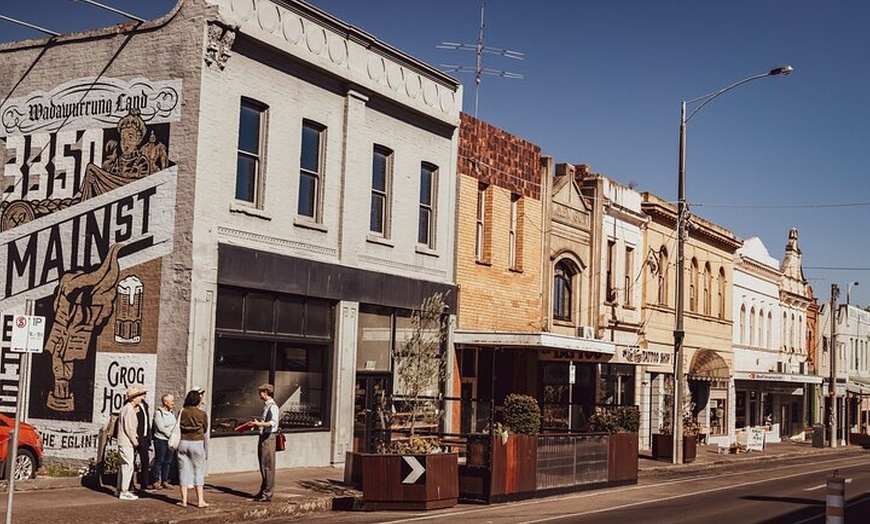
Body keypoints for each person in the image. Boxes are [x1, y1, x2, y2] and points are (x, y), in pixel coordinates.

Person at [176, 389, 209, 508]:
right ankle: (200, 501)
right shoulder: (202, 414)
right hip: (197, 443)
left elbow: (178, 425)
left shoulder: (182, 411)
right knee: (198, 471)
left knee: (183, 470)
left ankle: (183, 500)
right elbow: (205, 428)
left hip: (183, 442)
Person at [250, 383, 279, 502]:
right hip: (263, 436)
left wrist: (259, 424)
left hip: (268, 437)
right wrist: (258, 425)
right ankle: (263, 490)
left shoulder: (273, 407)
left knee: (268, 466)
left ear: (266, 393)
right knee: (263, 465)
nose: (259, 394)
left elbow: (273, 423)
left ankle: (268, 493)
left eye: (261, 392)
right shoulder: (266, 406)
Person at [117, 386, 147, 501]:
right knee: (128, 466)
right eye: (140, 396)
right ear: (134, 398)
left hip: (124, 442)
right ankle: (124, 491)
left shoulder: (128, 408)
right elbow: (129, 428)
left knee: (124, 466)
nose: (141, 398)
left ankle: (120, 489)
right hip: (126, 442)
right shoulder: (128, 409)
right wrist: (135, 441)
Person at [151, 393, 176, 489]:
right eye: (171, 401)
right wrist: (170, 435)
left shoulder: (171, 413)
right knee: (159, 460)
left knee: (168, 461)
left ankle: (165, 480)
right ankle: (155, 480)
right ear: (165, 402)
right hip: (161, 439)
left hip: (170, 440)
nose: (173, 403)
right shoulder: (159, 413)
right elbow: (160, 427)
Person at [135, 392, 155, 493]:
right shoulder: (134, 406)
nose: (145, 395)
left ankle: (144, 483)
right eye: (143, 394)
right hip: (137, 436)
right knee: (132, 462)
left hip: (145, 437)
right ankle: (130, 484)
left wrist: (149, 436)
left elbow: (147, 421)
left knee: (145, 461)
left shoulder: (145, 405)